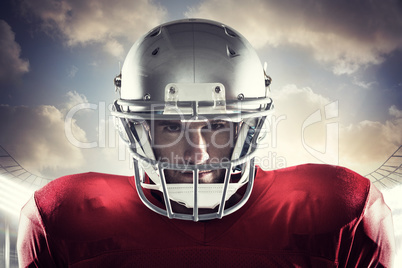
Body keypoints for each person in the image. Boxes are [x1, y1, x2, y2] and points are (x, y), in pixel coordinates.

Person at [17, 18, 395, 267]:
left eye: (217, 124)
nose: (197, 152)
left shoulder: (339, 212)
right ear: (138, 131)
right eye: (170, 127)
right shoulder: (64, 218)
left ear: (251, 127)